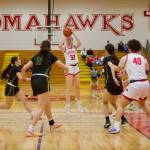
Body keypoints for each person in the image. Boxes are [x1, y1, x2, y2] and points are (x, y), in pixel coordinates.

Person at [21, 40, 68, 137]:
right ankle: (30, 129)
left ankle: (52, 123)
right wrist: (67, 69)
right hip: (43, 79)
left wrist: (23, 78)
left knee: (47, 103)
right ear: (49, 47)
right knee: (41, 107)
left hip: (34, 79)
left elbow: (23, 68)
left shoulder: (36, 56)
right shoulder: (50, 55)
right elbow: (62, 66)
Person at [108, 39, 150, 133]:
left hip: (135, 84)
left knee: (120, 104)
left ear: (129, 48)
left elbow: (118, 69)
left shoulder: (126, 57)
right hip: (145, 83)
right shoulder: (143, 58)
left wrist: (111, 65)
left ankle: (116, 127)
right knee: (143, 105)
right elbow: (147, 69)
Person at [102, 44, 127, 128]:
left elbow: (112, 66)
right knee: (113, 102)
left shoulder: (106, 59)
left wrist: (113, 77)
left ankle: (107, 121)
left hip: (111, 84)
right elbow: (122, 70)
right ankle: (123, 118)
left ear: (106, 51)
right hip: (119, 85)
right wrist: (122, 78)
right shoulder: (116, 59)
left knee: (104, 102)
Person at [58, 32, 84, 113]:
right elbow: (59, 45)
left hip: (76, 67)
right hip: (68, 68)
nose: (69, 41)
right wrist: (65, 36)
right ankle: (68, 106)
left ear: (72, 40)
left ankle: (79, 104)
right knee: (68, 88)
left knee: (78, 87)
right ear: (66, 41)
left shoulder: (75, 47)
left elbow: (80, 42)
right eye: (68, 40)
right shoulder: (65, 48)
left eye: (70, 40)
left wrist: (74, 34)